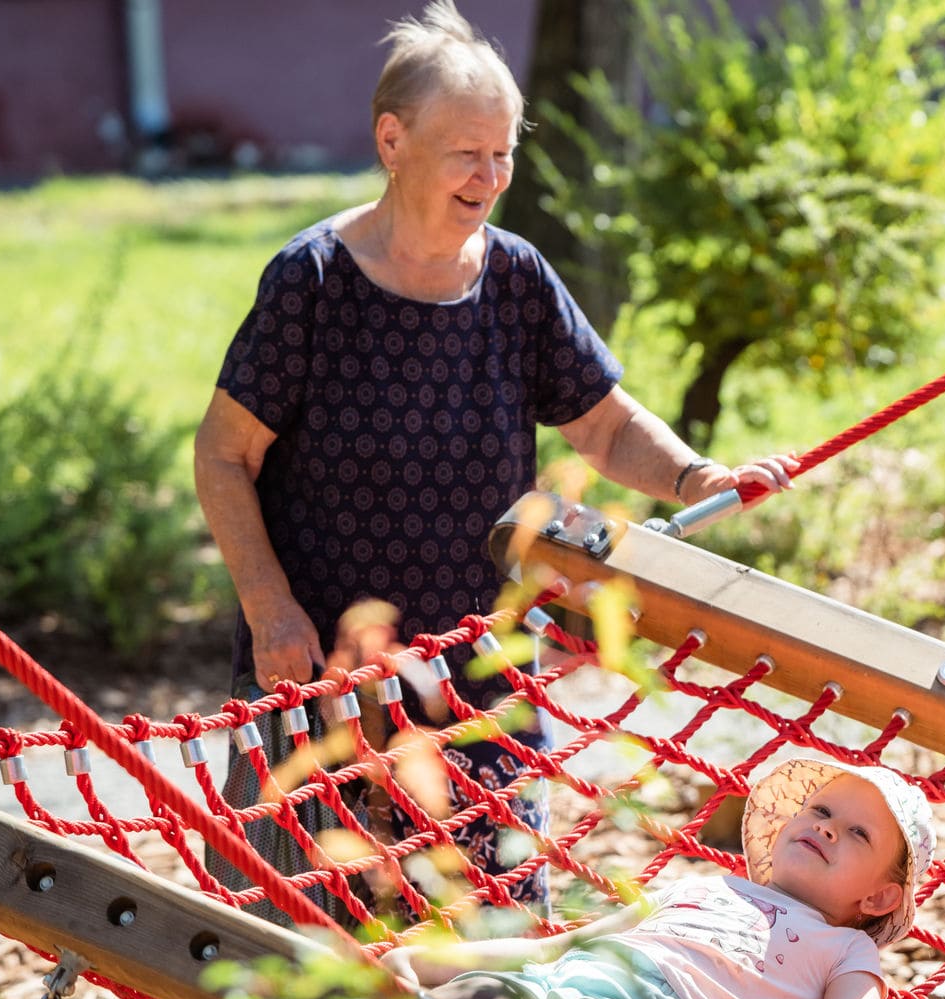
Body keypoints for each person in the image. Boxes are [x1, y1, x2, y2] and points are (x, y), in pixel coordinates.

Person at [192, 0, 793, 925]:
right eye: (465, 152)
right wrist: (268, 608)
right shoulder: (311, 281)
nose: (490, 175)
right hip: (319, 669)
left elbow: (601, 423)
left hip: (478, 672)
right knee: (298, 957)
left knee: (490, 940)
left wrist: (692, 476)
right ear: (392, 141)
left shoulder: (515, 278)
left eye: (503, 151)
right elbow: (223, 454)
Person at [382, 759, 937, 999]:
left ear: (880, 896)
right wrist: (426, 961)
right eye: (820, 812)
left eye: (858, 833)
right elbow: (564, 944)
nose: (829, 829)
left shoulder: (846, 949)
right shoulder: (700, 884)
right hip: (578, 975)